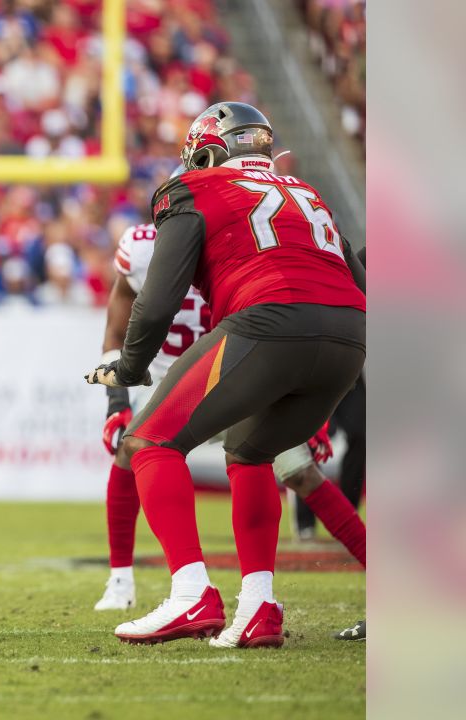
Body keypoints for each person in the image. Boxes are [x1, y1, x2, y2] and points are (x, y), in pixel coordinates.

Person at [85, 102, 366, 648]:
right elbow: (358, 277)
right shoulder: (306, 193)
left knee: (150, 442)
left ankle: (191, 594)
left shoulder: (192, 189)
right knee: (251, 453)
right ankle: (258, 606)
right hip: (349, 336)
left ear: (208, 151)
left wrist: (131, 367)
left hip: (268, 322)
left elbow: (159, 298)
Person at [95, 218, 366, 612]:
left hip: (236, 366)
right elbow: (116, 332)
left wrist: (308, 416)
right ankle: (121, 580)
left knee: (298, 472)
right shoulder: (141, 247)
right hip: (165, 371)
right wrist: (116, 404)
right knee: (131, 448)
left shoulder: (247, 244)